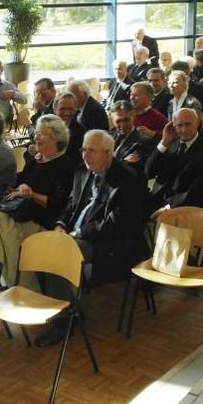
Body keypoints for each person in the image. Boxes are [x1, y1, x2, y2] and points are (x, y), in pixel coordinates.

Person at [38, 129, 146, 346]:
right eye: (84, 150)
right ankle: (66, 307)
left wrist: (76, 234)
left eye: (92, 151)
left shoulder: (127, 180)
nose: (86, 155)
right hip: (75, 236)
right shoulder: (82, 171)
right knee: (40, 249)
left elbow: (116, 224)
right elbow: (71, 205)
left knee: (58, 256)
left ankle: (64, 322)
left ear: (108, 154)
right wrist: (60, 225)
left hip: (109, 244)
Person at [0, 115, 73, 288]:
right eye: (36, 133)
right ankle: (5, 278)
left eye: (41, 134)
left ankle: (15, 281)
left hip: (44, 218)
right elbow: (19, 180)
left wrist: (31, 194)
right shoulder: (37, 159)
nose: (35, 137)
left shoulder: (65, 165)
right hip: (24, 212)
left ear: (56, 138)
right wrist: (19, 188)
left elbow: (58, 203)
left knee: (2, 226)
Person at [144, 108, 203, 213]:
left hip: (188, 206)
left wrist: (167, 208)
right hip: (160, 198)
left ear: (197, 123)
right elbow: (149, 172)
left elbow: (197, 191)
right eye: (179, 125)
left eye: (188, 124)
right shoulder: (169, 143)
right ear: (173, 126)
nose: (184, 130)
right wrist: (164, 141)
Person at [110, 101, 156, 173]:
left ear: (133, 116)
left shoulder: (145, 142)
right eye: (118, 121)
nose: (123, 124)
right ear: (112, 121)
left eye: (126, 120)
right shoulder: (107, 137)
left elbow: (129, 167)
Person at [0, 59, 27, 126]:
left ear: (1, 71)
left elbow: (24, 100)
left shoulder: (8, 85)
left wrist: (13, 93)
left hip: (1, 120)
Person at [49, 92, 86, 164]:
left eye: (71, 109)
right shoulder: (47, 128)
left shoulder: (81, 133)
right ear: (55, 110)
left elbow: (75, 161)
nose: (67, 113)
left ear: (75, 109)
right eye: (62, 109)